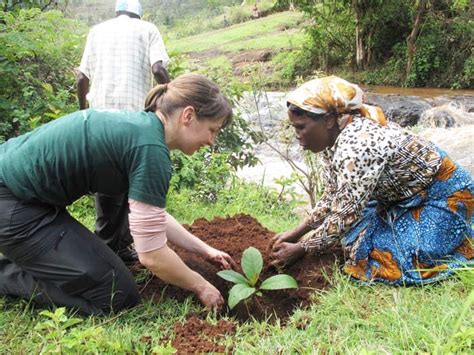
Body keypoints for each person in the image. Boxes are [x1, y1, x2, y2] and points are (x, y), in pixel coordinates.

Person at [0, 74, 236, 315]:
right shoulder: (150, 150)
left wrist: (204, 250)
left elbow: (152, 217)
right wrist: (201, 286)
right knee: (115, 295)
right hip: (16, 207)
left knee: (106, 276)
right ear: (188, 116)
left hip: (25, 198)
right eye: (212, 130)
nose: (211, 141)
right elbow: (152, 255)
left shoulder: (141, 129)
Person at [271, 76, 473, 285]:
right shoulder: (333, 138)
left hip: (441, 195)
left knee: (390, 260)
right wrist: (296, 233)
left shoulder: (358, 145)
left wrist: (301, 248)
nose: (297, 135)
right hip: (396, 197)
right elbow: (332, 195)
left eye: (301, 127)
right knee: (352, 240)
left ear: (328, 120)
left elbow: (345, 214)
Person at [77, 0, 171, 263]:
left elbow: (81, 79)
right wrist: (172, 94)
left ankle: (118, 247)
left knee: (108, 184)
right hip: (133, 119)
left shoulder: (97, 31)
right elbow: (158, 68)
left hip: (100, 120)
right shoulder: (148, 29)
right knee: (131, 183)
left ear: (117, 11)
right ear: (138, 13)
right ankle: (109, 254)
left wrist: (82, 111)